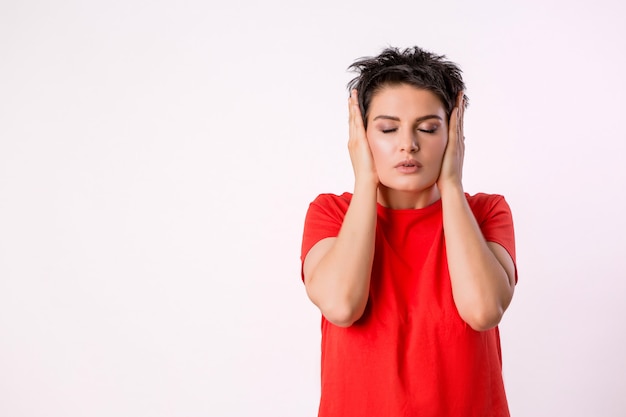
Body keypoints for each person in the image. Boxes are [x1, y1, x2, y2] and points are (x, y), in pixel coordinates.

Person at [300, 46, 517, 417]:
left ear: (453, 131)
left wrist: (451, 183)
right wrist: (364, 180)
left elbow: (483, 311)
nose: (408, 144)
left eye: (428, 128)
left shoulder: (485, 211)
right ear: (361, 134)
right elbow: (341, 306)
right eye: (387, 128)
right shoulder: (331, 213)